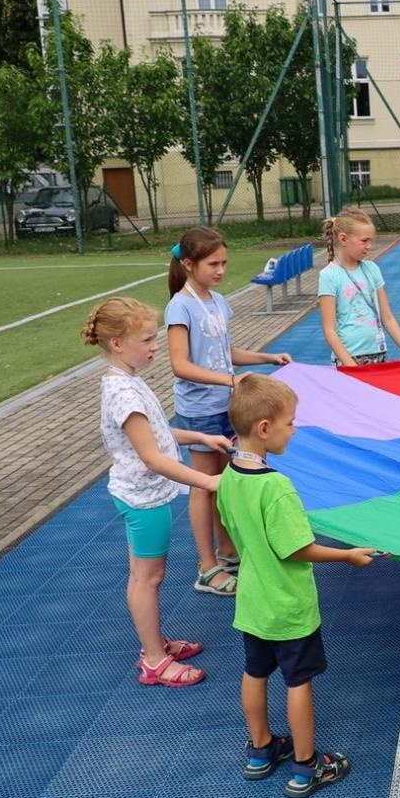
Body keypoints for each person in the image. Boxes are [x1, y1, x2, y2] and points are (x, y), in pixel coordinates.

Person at [216, 374, 377, 798]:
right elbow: (296, 549)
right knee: (297, 680)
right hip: (288, 606)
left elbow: (233, 530)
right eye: (291, 422)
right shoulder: (276, 487)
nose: (295, 429)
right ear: (265, 428)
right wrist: (346, 555)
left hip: (253, 602)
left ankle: (262, 748)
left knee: (254, 672)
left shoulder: (229, 476)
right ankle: (307, 765)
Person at [81, 297, 229, 687]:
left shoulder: (128, 380)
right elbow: (152, 457)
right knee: (148, 578)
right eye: (147, 339)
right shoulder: (124, 394)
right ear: (117, 343)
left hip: (140, 493)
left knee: (141, 575)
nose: (155, 345)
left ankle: (153, 643)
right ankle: (154, 659)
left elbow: (158, 434)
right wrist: (208, 481)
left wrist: (197, 435)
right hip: (143, 498)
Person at [165, 226, 291, 597]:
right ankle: (207, 567)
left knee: (227, 484)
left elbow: (226, 351)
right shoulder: (180, 305)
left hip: (225, 405)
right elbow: (180, 364)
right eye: (213, 264)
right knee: (204, 487)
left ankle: (228, 550)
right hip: (201, 409)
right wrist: (229, 381)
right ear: (189, 265)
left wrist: (267, 357)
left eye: (224, 263)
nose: (220, 270)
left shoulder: (217, 301)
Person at [318, 207, 400, 366]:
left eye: (371, 240)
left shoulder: (372, 269)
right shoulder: (329, 275)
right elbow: (329, 329)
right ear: (343, 239)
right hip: (350, 358)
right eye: (364, 241)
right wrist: (349, 363)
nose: (369, 246)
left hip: (378, 354)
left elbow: (388, 317)